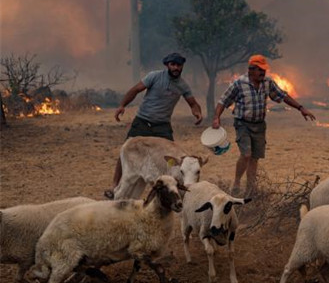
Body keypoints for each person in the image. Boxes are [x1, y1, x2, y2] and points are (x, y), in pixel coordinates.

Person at [212, 54, 316, 194]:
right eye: (260, 70)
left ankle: (250, 189)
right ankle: (236, 182)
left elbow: (283, 95)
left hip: (259, 125)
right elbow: (223, 101)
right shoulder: (239, 84)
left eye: (264, 70)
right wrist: (216, 118)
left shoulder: (267, 82)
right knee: (246, 154)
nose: (263, 72)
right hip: (243, 124)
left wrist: (301, 108)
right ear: (251, 69)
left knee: (254, 158)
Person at [104, 52, 203, 198]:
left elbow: (193, 103)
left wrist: (197, 113)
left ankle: (169, 191)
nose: (176, 68)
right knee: (127, 150)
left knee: (172, 157)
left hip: (162, 126)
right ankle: (114, 186)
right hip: (143, 121)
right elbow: (135, 90)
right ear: (167, 65)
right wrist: (122, 105)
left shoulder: (183, 85)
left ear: (182, 66)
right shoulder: (154, 76)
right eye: (173, 64)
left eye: (179, 65)